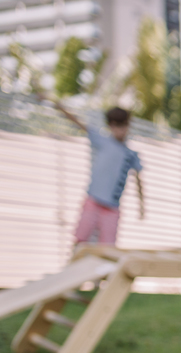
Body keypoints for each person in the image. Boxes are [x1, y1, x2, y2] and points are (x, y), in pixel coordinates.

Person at [50, 99, 145, 246]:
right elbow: (77, 122)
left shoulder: (130, 154)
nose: (120, 129)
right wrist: (56, 104)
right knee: (81, 239)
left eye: (123, 125)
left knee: (107, 246)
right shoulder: (102, 141)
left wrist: (141, 205)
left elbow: (139, 179)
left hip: (112, 207)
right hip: (93, 201)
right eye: (115, 125)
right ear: (110, 126)